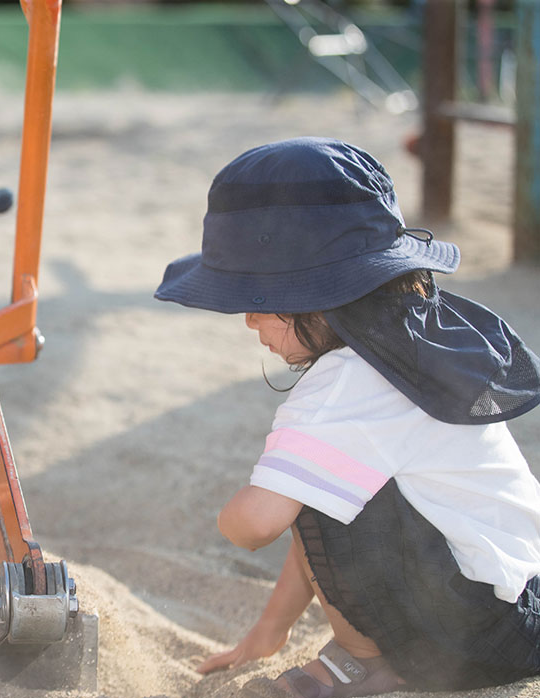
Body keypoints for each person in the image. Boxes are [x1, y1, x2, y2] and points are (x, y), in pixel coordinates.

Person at [154, 137, 540, 697]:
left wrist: (236, 510)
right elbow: (326, 502)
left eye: (256, 300)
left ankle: (365, 661)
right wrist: (273, 626)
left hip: (475, 638)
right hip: (517, 609)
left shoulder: (345, 389)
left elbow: (254, 525)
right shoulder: (412, 346)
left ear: (318, 297)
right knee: (324, 485)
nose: (248, 321)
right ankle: (370, 654)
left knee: (302, 492)